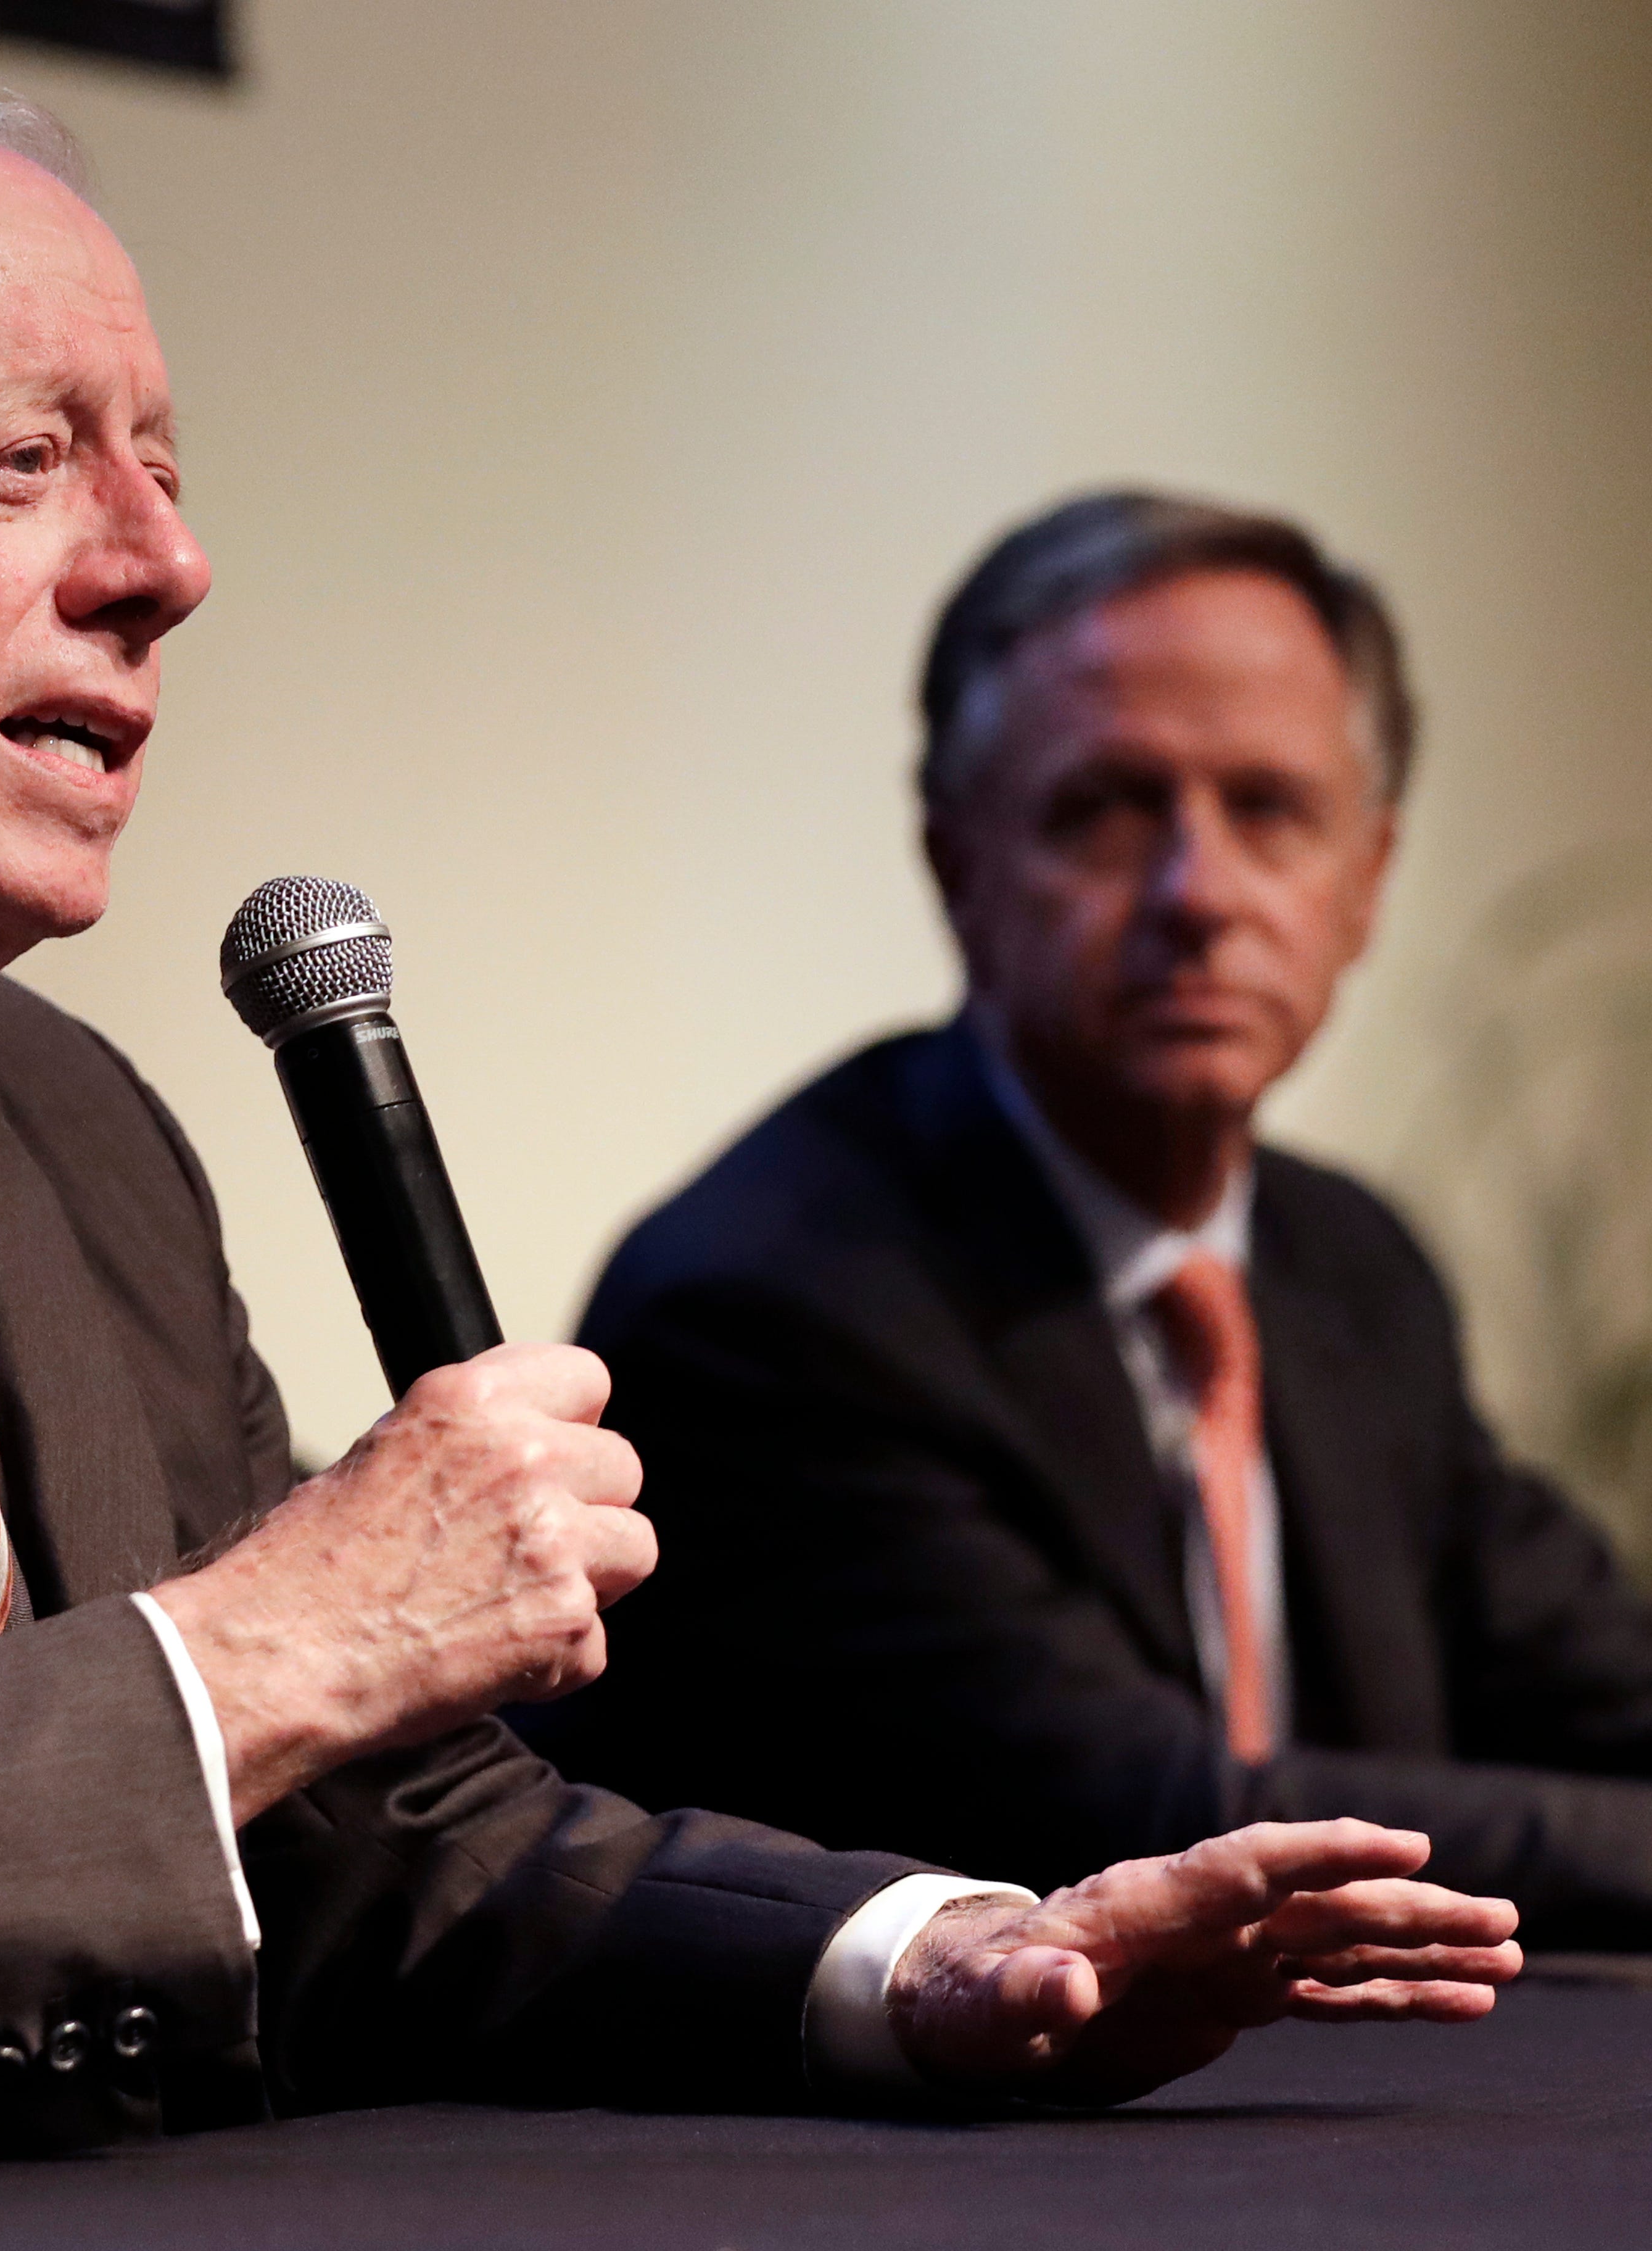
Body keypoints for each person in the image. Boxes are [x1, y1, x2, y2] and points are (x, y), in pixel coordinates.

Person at [0, 122, 1516, 2212]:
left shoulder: (67, 1118)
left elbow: (373, 1843)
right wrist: (260, 1644)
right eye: (19, 464)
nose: (164, 565)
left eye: (163, 462)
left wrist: (946, 1956)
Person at [554, 489, 1652, 1939]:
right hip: (908, 2139)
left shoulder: (1350, 1268)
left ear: (1367, 881)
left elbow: (1582, 1670)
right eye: (1110, 810)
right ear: (959, 866)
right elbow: (1135, 1815)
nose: (1199, 892)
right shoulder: (772, 1302)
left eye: (1268, 809)